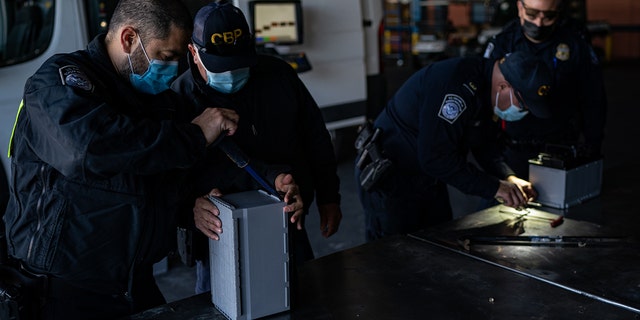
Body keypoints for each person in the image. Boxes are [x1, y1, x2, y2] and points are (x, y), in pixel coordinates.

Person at [2, 0, 243, 318]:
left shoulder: (155, 100)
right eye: (165, 57)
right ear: (129, 38)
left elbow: (152, 173)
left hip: (133, 282)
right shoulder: (58, 84)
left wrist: (189, 206)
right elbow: (89, 151)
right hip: (63, 290)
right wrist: (195, 136)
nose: (171, 72)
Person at [171, 1, 343, 294]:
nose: (232, 74)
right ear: (193, 53)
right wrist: (189, 208)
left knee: (302, 299)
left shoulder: (278, 76)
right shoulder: (178, 100)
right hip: (218, 236)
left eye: (240, 64)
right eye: (222, 67)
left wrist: (329, 196)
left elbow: (316, 137)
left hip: (286, 220)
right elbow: (165, 174)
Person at [355, 51, 553, 241]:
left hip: (426, 177)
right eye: (523, 106)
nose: (522, 112)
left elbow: (484, 144)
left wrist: (509, 177)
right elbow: (435, 158)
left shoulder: (485, 87)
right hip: (391, 179)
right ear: (503, 87)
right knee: (393, 258)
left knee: (438, 246)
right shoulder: (456, 87)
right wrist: (495, 187)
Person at [483, 0, 607, 177]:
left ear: (559, 12)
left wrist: (593, 146)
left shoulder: (575, 45)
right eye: (532, 14)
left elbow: (594, 99)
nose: (539, 23)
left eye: (548, 16)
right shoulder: (503, 44)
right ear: (520, 7)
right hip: (514, 146)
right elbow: (485, 94)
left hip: (560, 147)